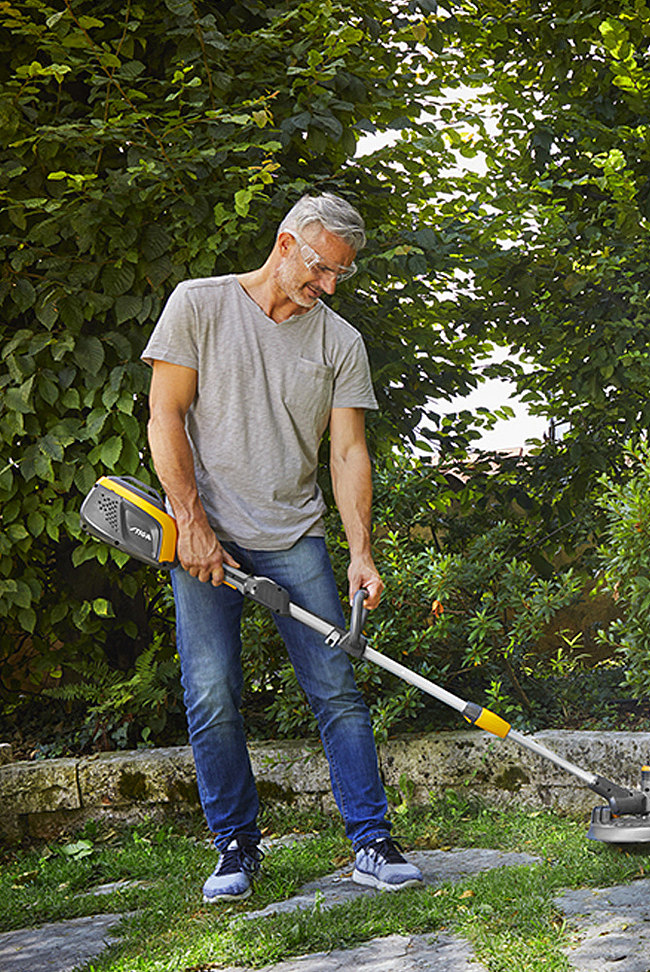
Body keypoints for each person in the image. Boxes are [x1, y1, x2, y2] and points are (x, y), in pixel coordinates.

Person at [142, 193, 423, 902]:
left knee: (336, 688)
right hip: (207, 538)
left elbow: (349, 451)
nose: (327, 286)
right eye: (323, 268)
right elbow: (163, 416)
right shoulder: (199, 305)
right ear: (287, 243)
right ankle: (235, 847)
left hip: (296, 534)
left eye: (341, 276)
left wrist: (361, 552)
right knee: (211, 694)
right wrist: (194, 526)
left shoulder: (339, 342)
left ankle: (371, 840)